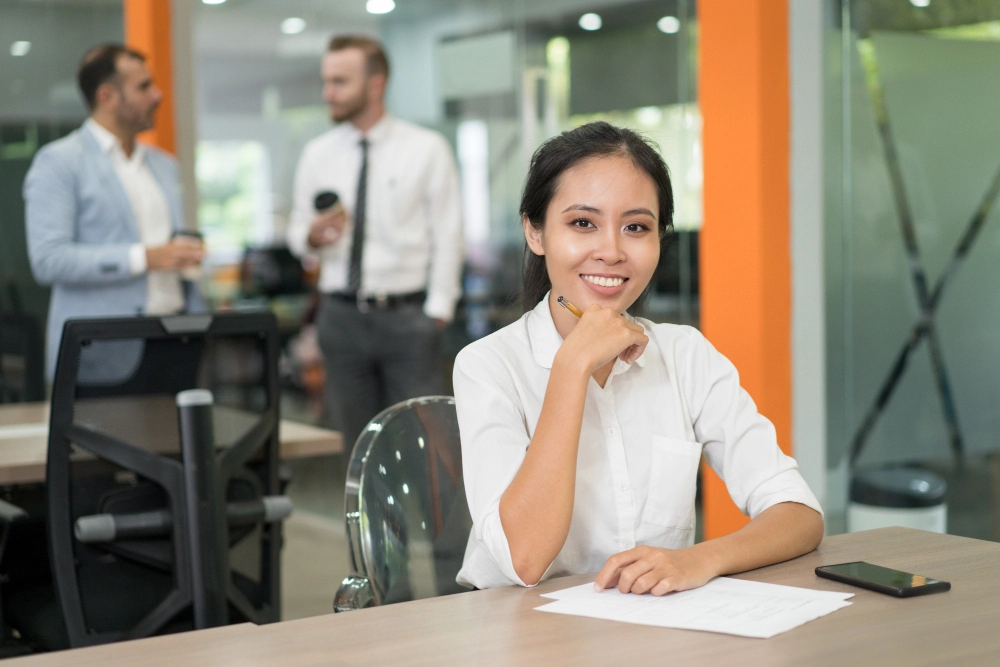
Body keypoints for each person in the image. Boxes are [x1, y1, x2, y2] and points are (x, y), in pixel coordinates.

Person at [454, 121, 823, 593]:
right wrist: (572, 365)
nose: (610, 251)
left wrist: (699, 560)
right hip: (515, 631)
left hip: (649, 625)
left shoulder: (685, 355)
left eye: (635, 227)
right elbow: (523, 558)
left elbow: (798, 513)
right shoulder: (487, 365)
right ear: (535, 232)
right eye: (582, 223)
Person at [287, 36, 463, 448]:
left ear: (376, 84)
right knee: (357, 446)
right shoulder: (318, 154)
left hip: (407, 316)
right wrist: (310, 236)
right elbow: (297, 232)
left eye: (340, 82)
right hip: (341, 317)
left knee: (427, 446)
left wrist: (437, 311)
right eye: (326, 81)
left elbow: (448, 233)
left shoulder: (425, 149)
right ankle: (364, 516)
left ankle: (432, 518)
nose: (328, 92)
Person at [24, 43, 204, 379]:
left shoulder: (164, 165)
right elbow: (49, 260)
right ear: (107, 97)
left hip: (180, 340)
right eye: (144, 86)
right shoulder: (59, 163)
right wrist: (144, 258)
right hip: (107, 353)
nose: (158, 94)